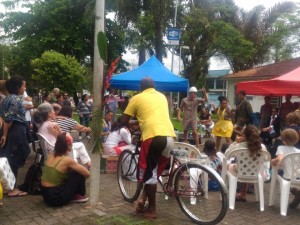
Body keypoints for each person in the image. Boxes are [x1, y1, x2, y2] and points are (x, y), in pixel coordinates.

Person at [113, 77, 176, 219]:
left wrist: (114, 125)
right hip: (170, 136)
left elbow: (124, 119)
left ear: (141, 87)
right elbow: (153, 115)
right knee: (153, 174)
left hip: (153, 137)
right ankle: (142, 201)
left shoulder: (137, 98)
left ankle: (152, 210)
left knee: (149, 175)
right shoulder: (162, 97)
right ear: (153, 86)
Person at [33, 103, 91, 168]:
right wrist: (59, 134)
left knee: (79, 145)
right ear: (49, 113)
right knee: (74, 148)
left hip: (49, 149)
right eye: (53, 111)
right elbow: (65, 137)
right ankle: (74, 167)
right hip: (57, 148)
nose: (54, 112)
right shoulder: (54, 124)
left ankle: (86, 163)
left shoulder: (40, 125)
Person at [0, 76, 31, 197]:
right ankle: (11, 188)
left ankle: (9, 185)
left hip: (14, 130)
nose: (25, 88)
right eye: (23, 85)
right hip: (16, 131)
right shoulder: (15, 100)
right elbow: (9, 119)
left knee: (11, 156)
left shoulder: (7, 99)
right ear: (17, 87)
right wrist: (5, 135)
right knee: (15, 157)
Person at [41, 132, 90, 207]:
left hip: (46, 195)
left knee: (70, 172)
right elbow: (87, 173)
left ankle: (72, 193)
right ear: (67, 145)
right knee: (78, 173)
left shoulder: (51, 155)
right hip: (56, 198)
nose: (72, 145)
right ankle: (78, 195)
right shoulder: (67, 160)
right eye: (71, 143)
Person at [225, 124, 268, 202]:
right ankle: (243, 194)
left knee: (228, 165)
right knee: (248, 168)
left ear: (244, 136)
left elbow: (226, 155)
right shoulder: (262, 147)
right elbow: (266, 159)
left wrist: (235, 142)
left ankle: (230, 192)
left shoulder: (239, 146)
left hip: (240, 172)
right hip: (257, 173)